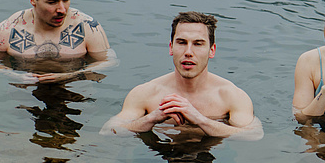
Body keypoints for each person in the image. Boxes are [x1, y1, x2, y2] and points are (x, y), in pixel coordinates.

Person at [101, 12, 259, 139]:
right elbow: (108, 130)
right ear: (171, 48)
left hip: (212, 155)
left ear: (212, 50)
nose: (188, 52)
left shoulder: (231, 95)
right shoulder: (146, 93)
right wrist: (152, 118)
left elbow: (253, 134)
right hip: (160, 153)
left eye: (198, 44)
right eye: (182, 42)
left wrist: (199, 119)